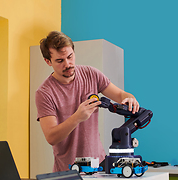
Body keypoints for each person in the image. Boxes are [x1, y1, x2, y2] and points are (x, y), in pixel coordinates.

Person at [35, 31, 140, 172]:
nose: (68, 64)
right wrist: (77, 117)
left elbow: (121, 94)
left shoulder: (91, 74)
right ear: (48, 61)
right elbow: (51, 137)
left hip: (100, 166)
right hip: (68, 171)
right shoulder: (44, 93)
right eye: (60, 61)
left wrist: (130, 98)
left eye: (70, 56)